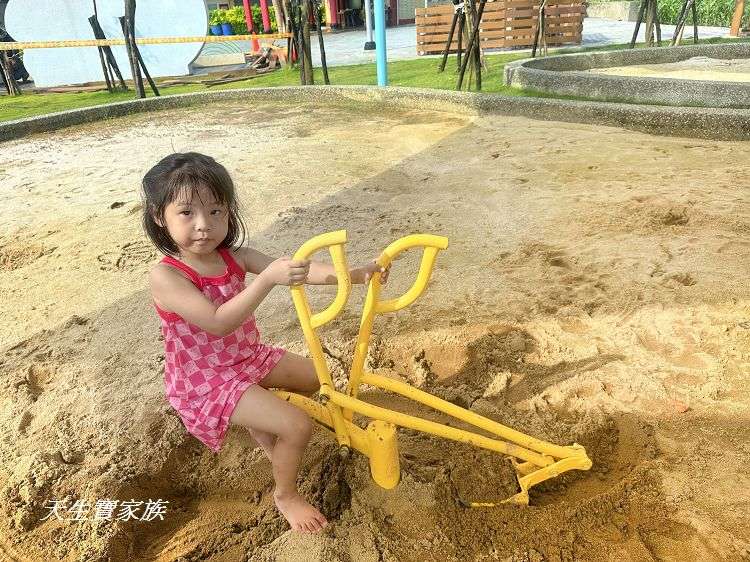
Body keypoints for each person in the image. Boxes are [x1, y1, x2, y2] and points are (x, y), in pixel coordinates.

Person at [141, 152, 390, 533]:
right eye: (187, 213)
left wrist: (356, 274)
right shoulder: (167, 277)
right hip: (207, 381)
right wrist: (266, 280)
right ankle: (285, 496)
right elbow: (218, 322)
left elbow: (299, 270)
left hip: (246, 358)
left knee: (316, 378)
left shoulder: (234, 256)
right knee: (296, 426)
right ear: (161, 216)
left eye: (216, 211)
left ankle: (258, 418)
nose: (204, 225)